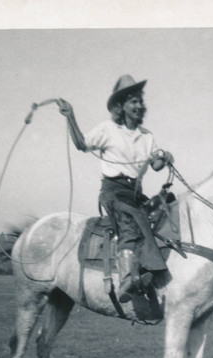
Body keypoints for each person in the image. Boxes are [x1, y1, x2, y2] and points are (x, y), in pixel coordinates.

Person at [57, 75, 174, 303]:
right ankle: (127, 280)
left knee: (161, 214)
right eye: (133, 102)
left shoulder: (147, 137)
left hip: (135, 193)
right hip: (114, 191)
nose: (139, 106)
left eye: (140, 101)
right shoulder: (108, 129)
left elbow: (157, 165)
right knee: (131, 222)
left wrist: (166, 156)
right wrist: (70, 116)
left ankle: (151, 270)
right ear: (121, 106)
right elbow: (82, 144)